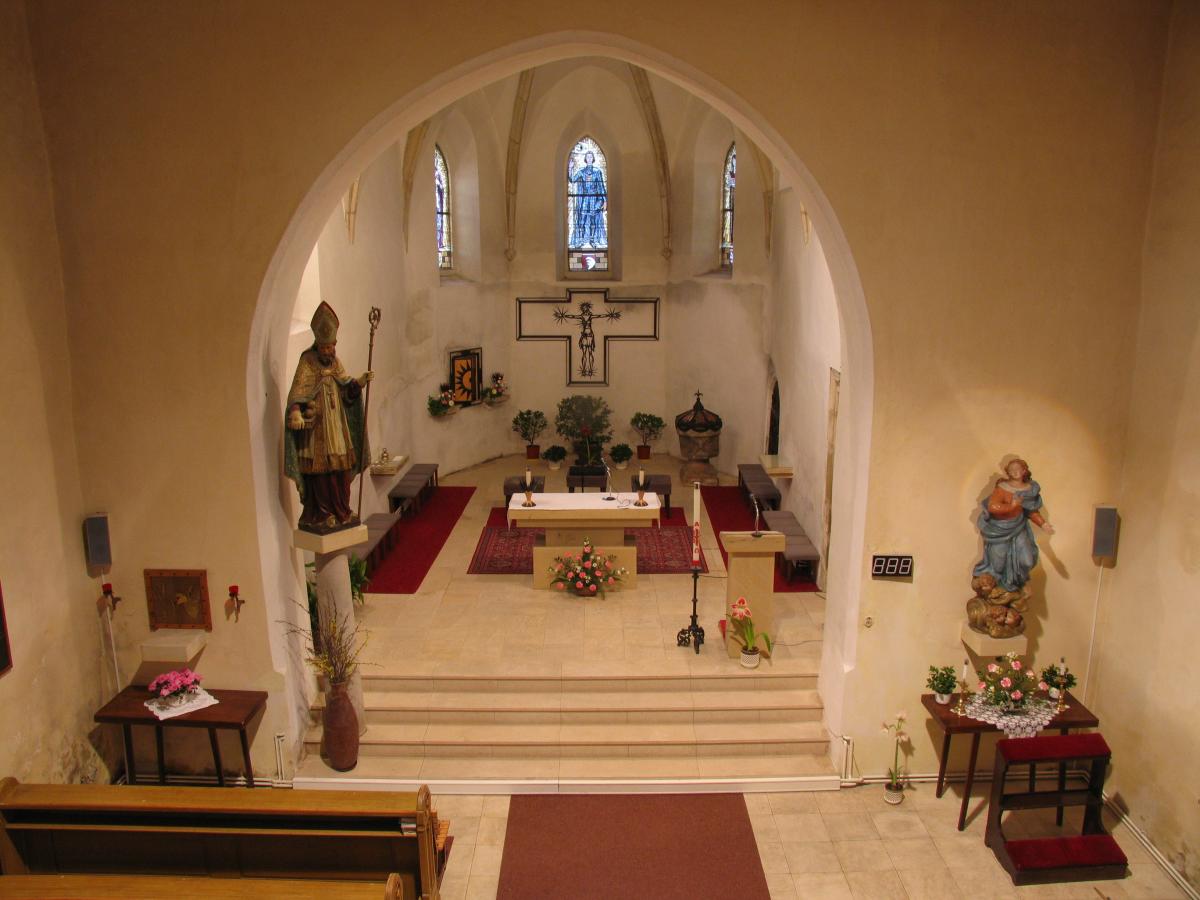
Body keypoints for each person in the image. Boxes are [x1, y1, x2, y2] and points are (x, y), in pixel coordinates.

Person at [284, 301, 373, 533]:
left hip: (336, 426)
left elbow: (346, 389)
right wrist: (296, 412)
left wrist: (360, 382)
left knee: (340, 470)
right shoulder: (307, 361)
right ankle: (321, 514)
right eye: (324, 347)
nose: (327, 351)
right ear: (318, 344)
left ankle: (342, 510)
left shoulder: (335, 362)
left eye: (331, 347)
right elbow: (296, 394)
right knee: (320, 474)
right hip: (316, 432)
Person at [972, 457, 1055, 594]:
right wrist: (1011, 506)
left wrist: (1043, 524)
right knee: (997, 565)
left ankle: (1019, 583)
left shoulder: (1029, 490)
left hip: (1019, 528)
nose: (1015, 472)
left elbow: (1031, 510)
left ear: (1024, 471)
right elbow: (992, 506)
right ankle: (995, 590)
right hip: (999, 530)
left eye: (1018, 469)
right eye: (1011, 470)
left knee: (1027, 561)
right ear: (1008, 472)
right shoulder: (1002, 487)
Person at [568, 150, 607, 248]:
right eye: (587, 157)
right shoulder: (581, 172)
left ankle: (592, 240)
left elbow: (601, 187)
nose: (589, 158)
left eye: (591, 157)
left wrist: (605, 201)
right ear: (585, 159)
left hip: (594, 199)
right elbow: (572, 180)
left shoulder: (597, 172)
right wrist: (570, 168)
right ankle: (580, 241)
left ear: (593, 158)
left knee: (593, 221)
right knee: (582, 220)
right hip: (584, 199)